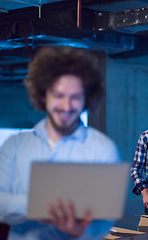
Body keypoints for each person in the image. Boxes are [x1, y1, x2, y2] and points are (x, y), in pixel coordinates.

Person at [0, 46, 121, 240]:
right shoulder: (14, 146)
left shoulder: (103, 149)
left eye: (75, 97)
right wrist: (43, 206)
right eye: (58, 95)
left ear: (86, 99)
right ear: (43, 95)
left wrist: (80, 231)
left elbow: (104, 222)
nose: (66, 106)